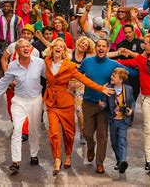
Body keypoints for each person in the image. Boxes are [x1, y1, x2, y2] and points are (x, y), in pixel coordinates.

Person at [43, 38, 113, 175]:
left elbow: (84, 80)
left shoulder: (69, 66)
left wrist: (101, 89)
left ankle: (68, 155)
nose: (58, 48)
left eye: (61, 47)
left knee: (69, 133)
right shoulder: (45, 61)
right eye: (55, 46)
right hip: (51, 102)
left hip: (66, 102)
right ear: (52, 49)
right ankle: (57, 159)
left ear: (64, 51)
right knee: (53, 133)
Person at [0, 39, 45, 173]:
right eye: (22, 47)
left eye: (28, 46)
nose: (25, 49)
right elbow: (3, 82)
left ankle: (34, 154)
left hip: (36, 100)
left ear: (31, 49)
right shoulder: (13, 66)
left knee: (34, 130)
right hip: (19, 100)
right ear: (17, 51)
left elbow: (50, 78)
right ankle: (15, 162)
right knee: (17, 130)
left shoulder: (40, 63)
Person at [78, 39, 136, 174]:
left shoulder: (113, 65)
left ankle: (100, 163)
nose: (101, 48)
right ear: (95, 48)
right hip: (88, 102)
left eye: (104, 46)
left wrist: (145, 64)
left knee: (102, 135)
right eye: (99, 46)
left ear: (108, 49)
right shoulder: (87, 62)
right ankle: (90, 146)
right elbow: (77, 74)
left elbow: (129, 73)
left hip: (105, 105)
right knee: (86, 132)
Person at [118, 34, 150, 171]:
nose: (143, 45)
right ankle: (149, 159)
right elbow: (124, 63)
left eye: (146, 44)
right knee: (148, 129)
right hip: (147, 98)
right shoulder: (141, 60)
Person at [99, 68, 135, 174]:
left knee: (122, 141)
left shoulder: (128, 89)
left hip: (123, 120)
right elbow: (105, 103)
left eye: (114, 76)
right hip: (113, 120)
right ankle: (119, 161)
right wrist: (102, 105)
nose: (111, 77)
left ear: (121, 79)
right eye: (112, 75)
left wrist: (131, 110)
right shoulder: (109, 88)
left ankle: (123, 161)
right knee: (114, 143)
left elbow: (132, 101)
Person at [70, 36, 95, 145]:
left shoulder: (88, 56)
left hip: (80, 85)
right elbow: (53, 46)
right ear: (79, 42)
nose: (83, 45)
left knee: (80, 111)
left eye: (86, 45)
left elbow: (103, 55)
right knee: (67, 112)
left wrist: (118, 52)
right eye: (82, 43)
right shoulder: (69, 53)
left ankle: (83, 133)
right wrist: (41, 37)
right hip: (68, 85)